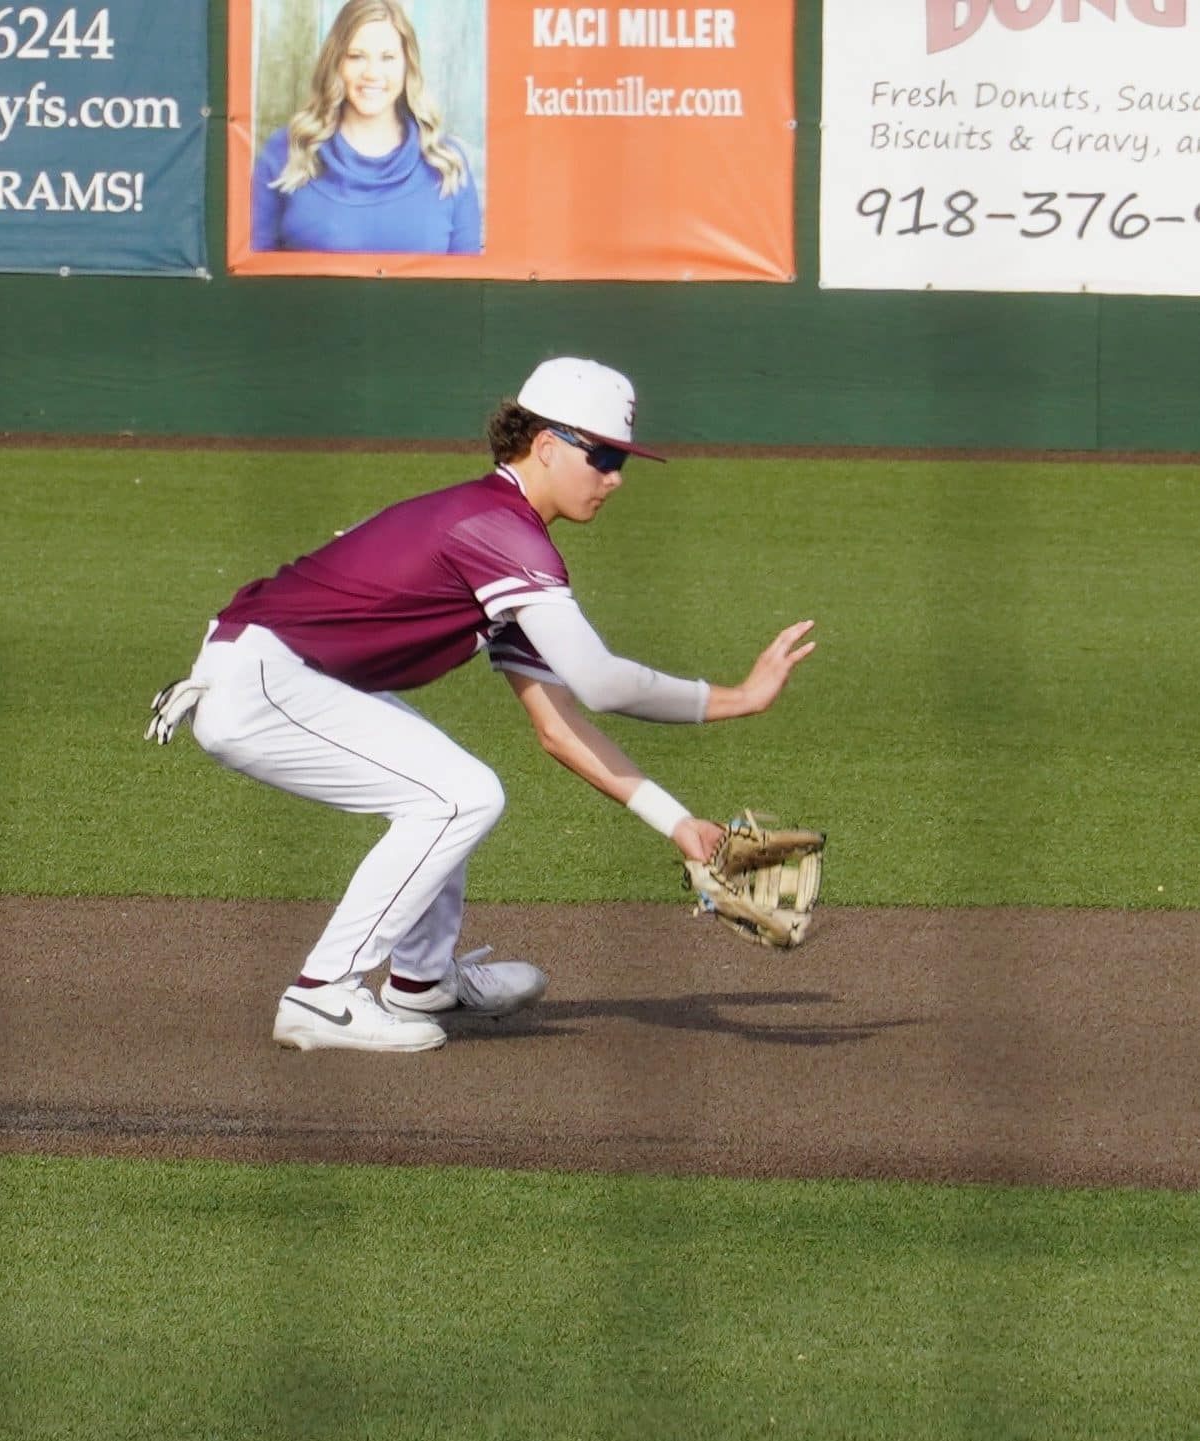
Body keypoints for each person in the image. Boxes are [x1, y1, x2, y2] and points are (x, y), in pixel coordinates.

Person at [146, 357, 816, 1054]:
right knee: (461, 795)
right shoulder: (498, 530)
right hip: (260, 682)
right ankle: (321, 995)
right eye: (605, 456)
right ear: (547, 445)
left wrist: (678, 824)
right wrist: (738, 698)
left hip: (294, 679)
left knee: (443, 782)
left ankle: (421, 981)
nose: (616, 477)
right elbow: (602, 682)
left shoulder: (504, 538)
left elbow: (560, 727)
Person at [251, 0, 481, 254]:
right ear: (336, 62)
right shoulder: (286, 153)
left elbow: (468, 277)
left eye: (388, 57)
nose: (372, 73)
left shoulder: (447, 164)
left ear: (408, 65)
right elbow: (250, 270)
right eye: (357, 56)